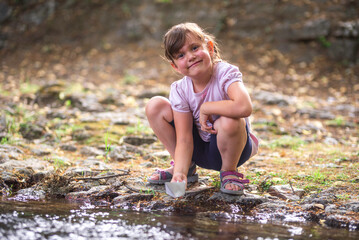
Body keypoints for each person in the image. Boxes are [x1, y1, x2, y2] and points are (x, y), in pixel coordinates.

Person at [145, 22, 259, 195]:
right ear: (175, 66)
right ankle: (185, 166)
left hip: (234, 148)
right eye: (181, 55)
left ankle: (229, 172)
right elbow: (184, 138)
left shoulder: (225, 73)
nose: (190, 56)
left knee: (229, 120)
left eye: (195, 48)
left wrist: (207, 108)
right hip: (198, 151)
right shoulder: (180, 89)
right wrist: (179, 173)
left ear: (210, 47)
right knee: (156, 105)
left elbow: (244, 106)